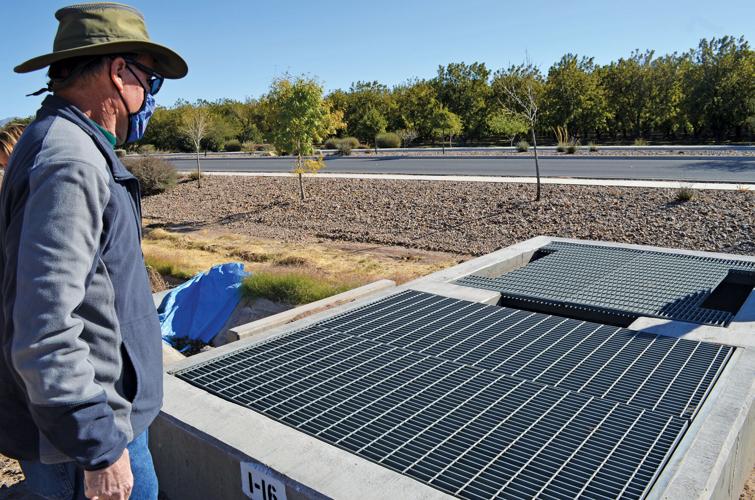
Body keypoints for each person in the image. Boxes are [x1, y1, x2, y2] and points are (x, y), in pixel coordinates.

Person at [0, 3, 187, 499]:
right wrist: (99, 446)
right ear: (118, 71)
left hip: (86, 429)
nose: (150, 97)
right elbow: (43, 327)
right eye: (150, 81)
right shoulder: (70, 160)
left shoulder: (58, 141)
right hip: (82, 442)